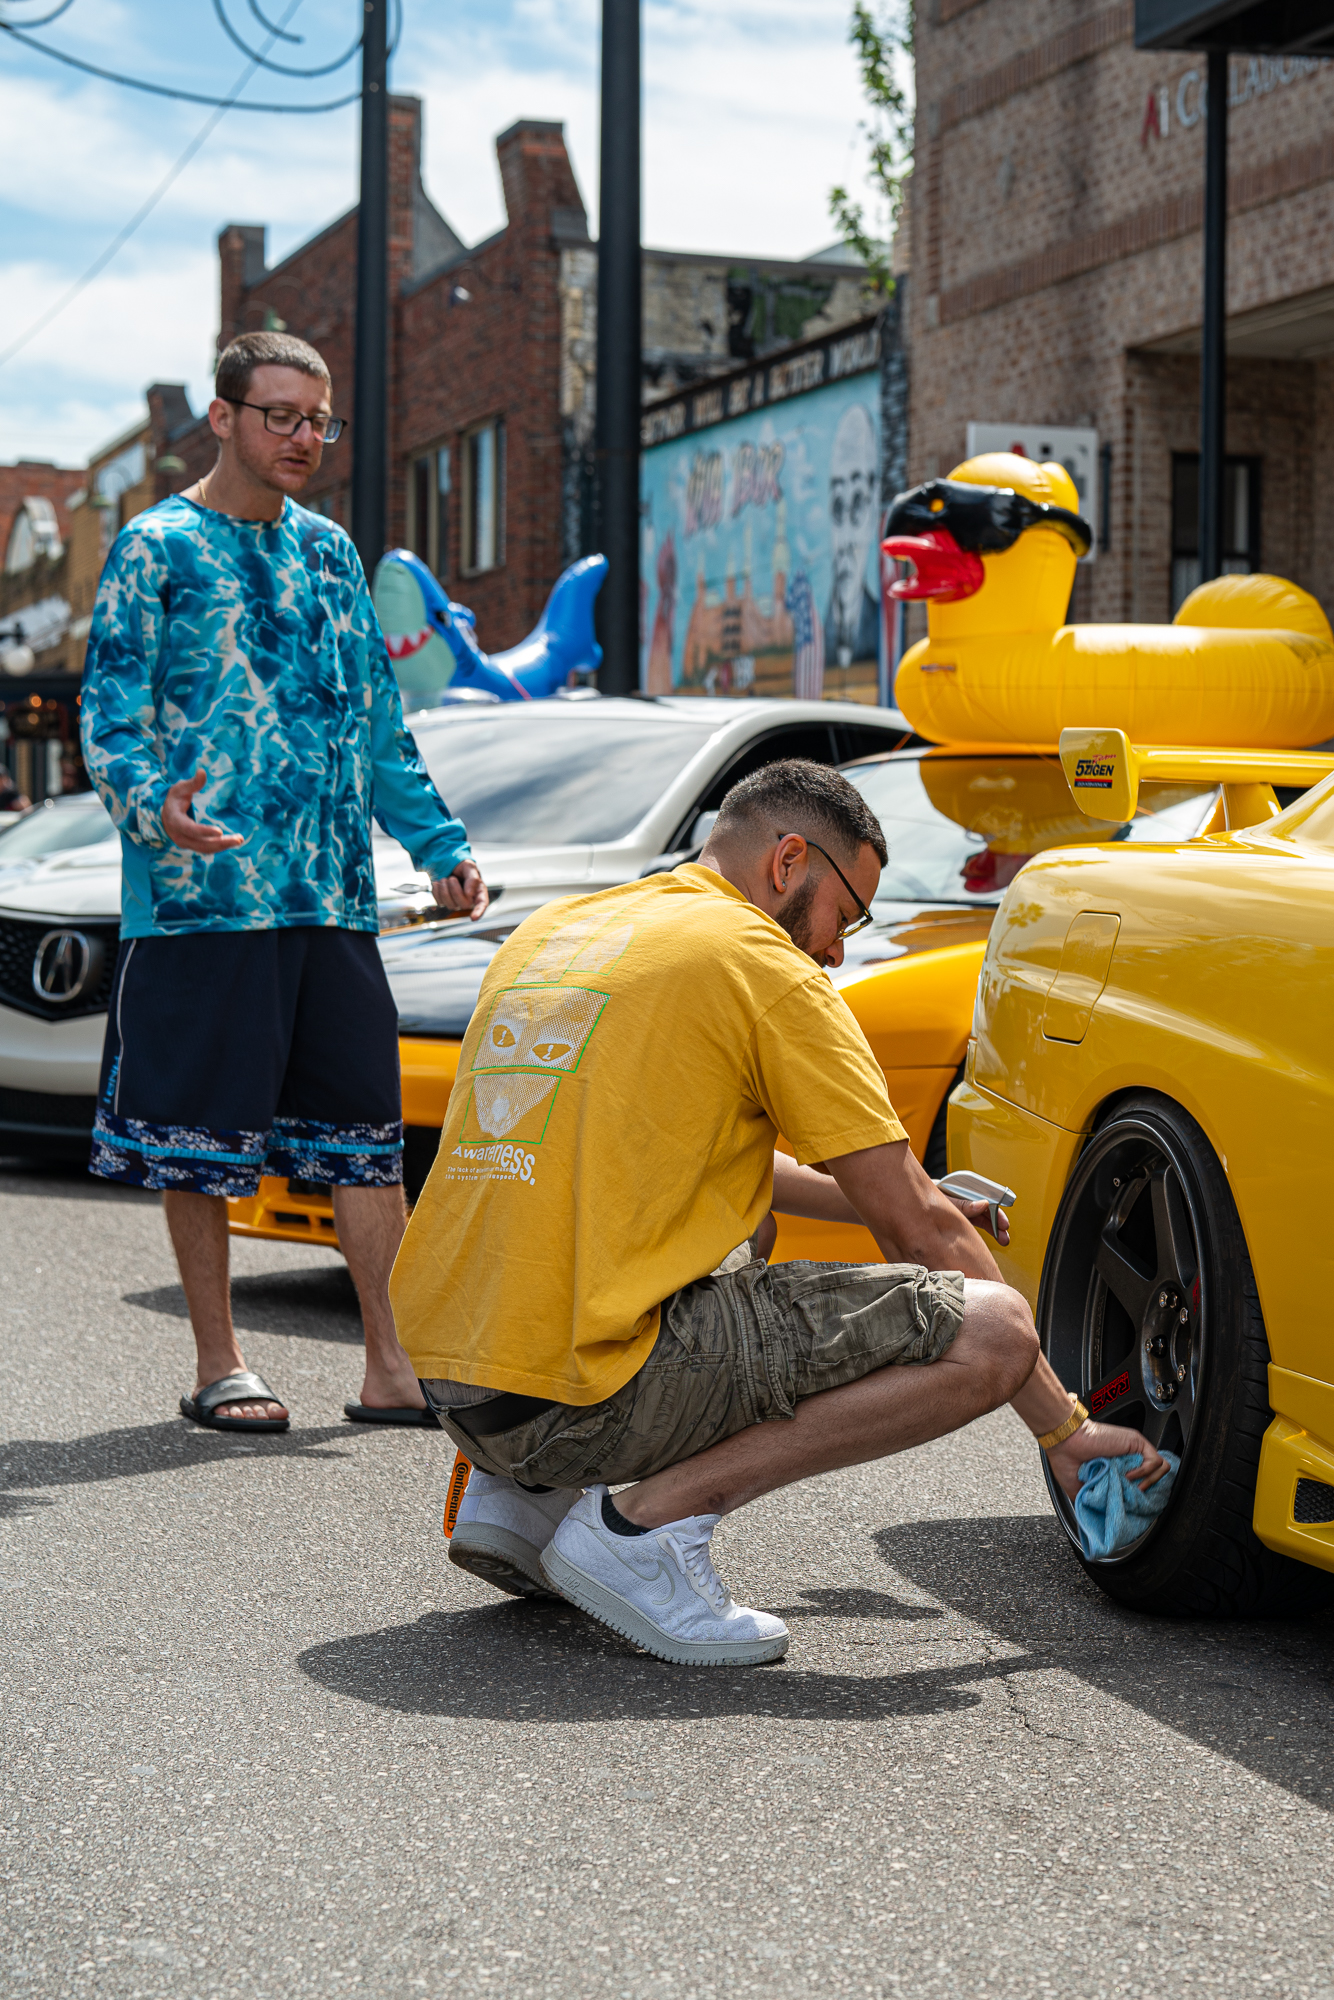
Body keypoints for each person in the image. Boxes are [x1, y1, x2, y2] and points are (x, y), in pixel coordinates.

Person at [390, 759, 1164, 1667]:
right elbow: (917, 1233)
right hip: (571, 1395)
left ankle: (518, 1498)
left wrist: (892, 1192)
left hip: (456, 1379)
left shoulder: (566, 929)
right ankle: (641, 1534)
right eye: (849, 913)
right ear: (790, 861)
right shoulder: (763, 966)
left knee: (734, 1229)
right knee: (991, 1331)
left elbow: (631, 1156)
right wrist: (1064, 1428)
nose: (838, 948)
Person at [81, 330, 487, 1434]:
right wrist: (146, 799)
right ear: (223, 418)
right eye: (282, 416)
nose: (306, 437)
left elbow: (377, 723)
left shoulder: (330, 554)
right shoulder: (154, 547)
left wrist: (437, 844)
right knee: (198, 1137)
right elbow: (107, 714)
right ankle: (222, 1363)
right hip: (200, 899)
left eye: (319, 420)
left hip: (330, 897)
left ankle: (390, 1366)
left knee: (364, 1131)